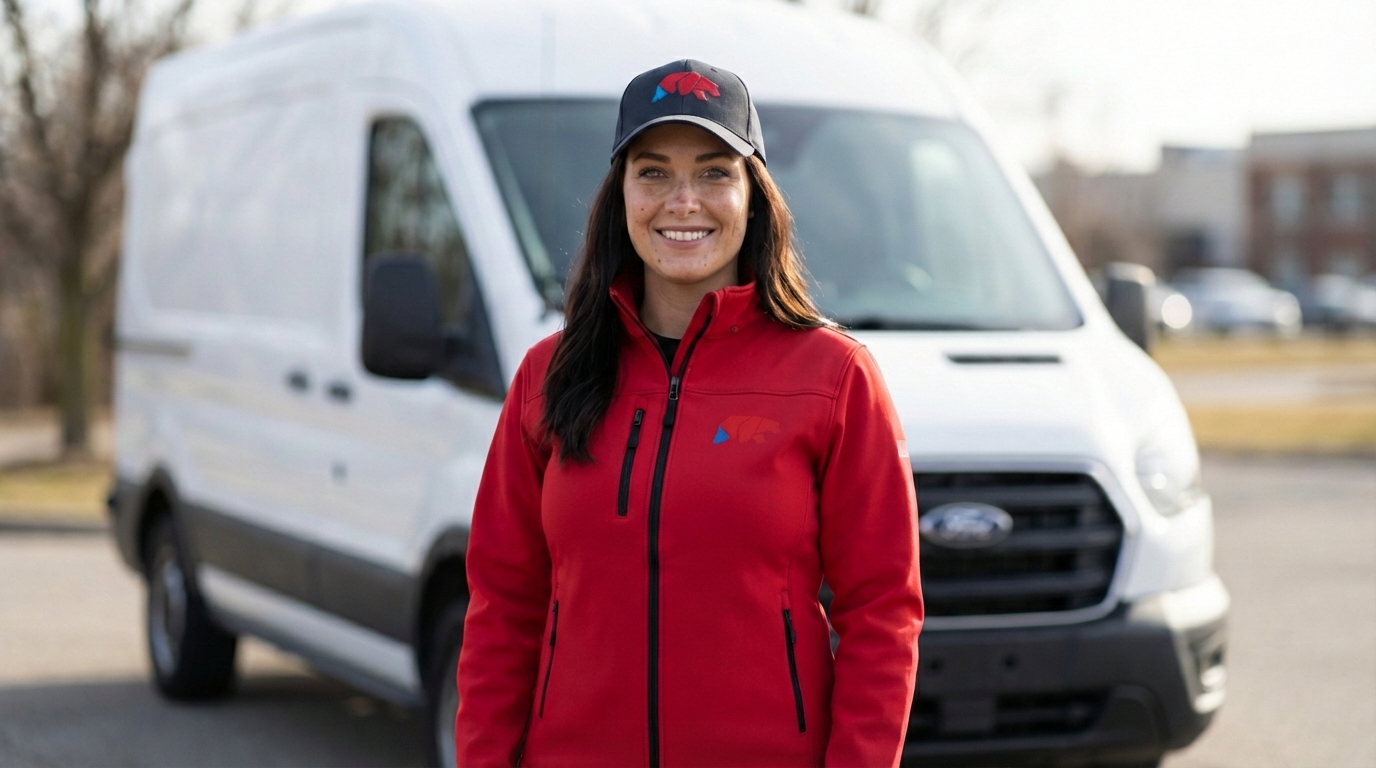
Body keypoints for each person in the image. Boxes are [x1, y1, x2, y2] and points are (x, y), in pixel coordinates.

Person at [455, 60, 923, 767]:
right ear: (620, 196)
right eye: (653, 172)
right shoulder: (545, 378)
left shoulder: (834, 379)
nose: (683, 201)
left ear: (752, 196)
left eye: (712, 172)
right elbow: (503, 608)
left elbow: (883, 613)